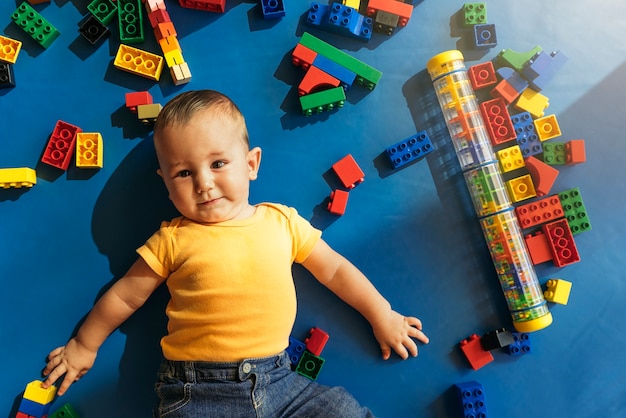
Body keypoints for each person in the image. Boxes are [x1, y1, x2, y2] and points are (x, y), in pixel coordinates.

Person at [42, 90, 429, 417]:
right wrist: (84, 345)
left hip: (281, 382)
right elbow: (126, 295)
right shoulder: (173, 239)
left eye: (218, 164)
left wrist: (382, 314)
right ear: (166, 183)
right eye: (183, 173)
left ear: (251, 164)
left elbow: (335, 271)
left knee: (342, 410)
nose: (204, 183)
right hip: (197, 392)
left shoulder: (282, 222)